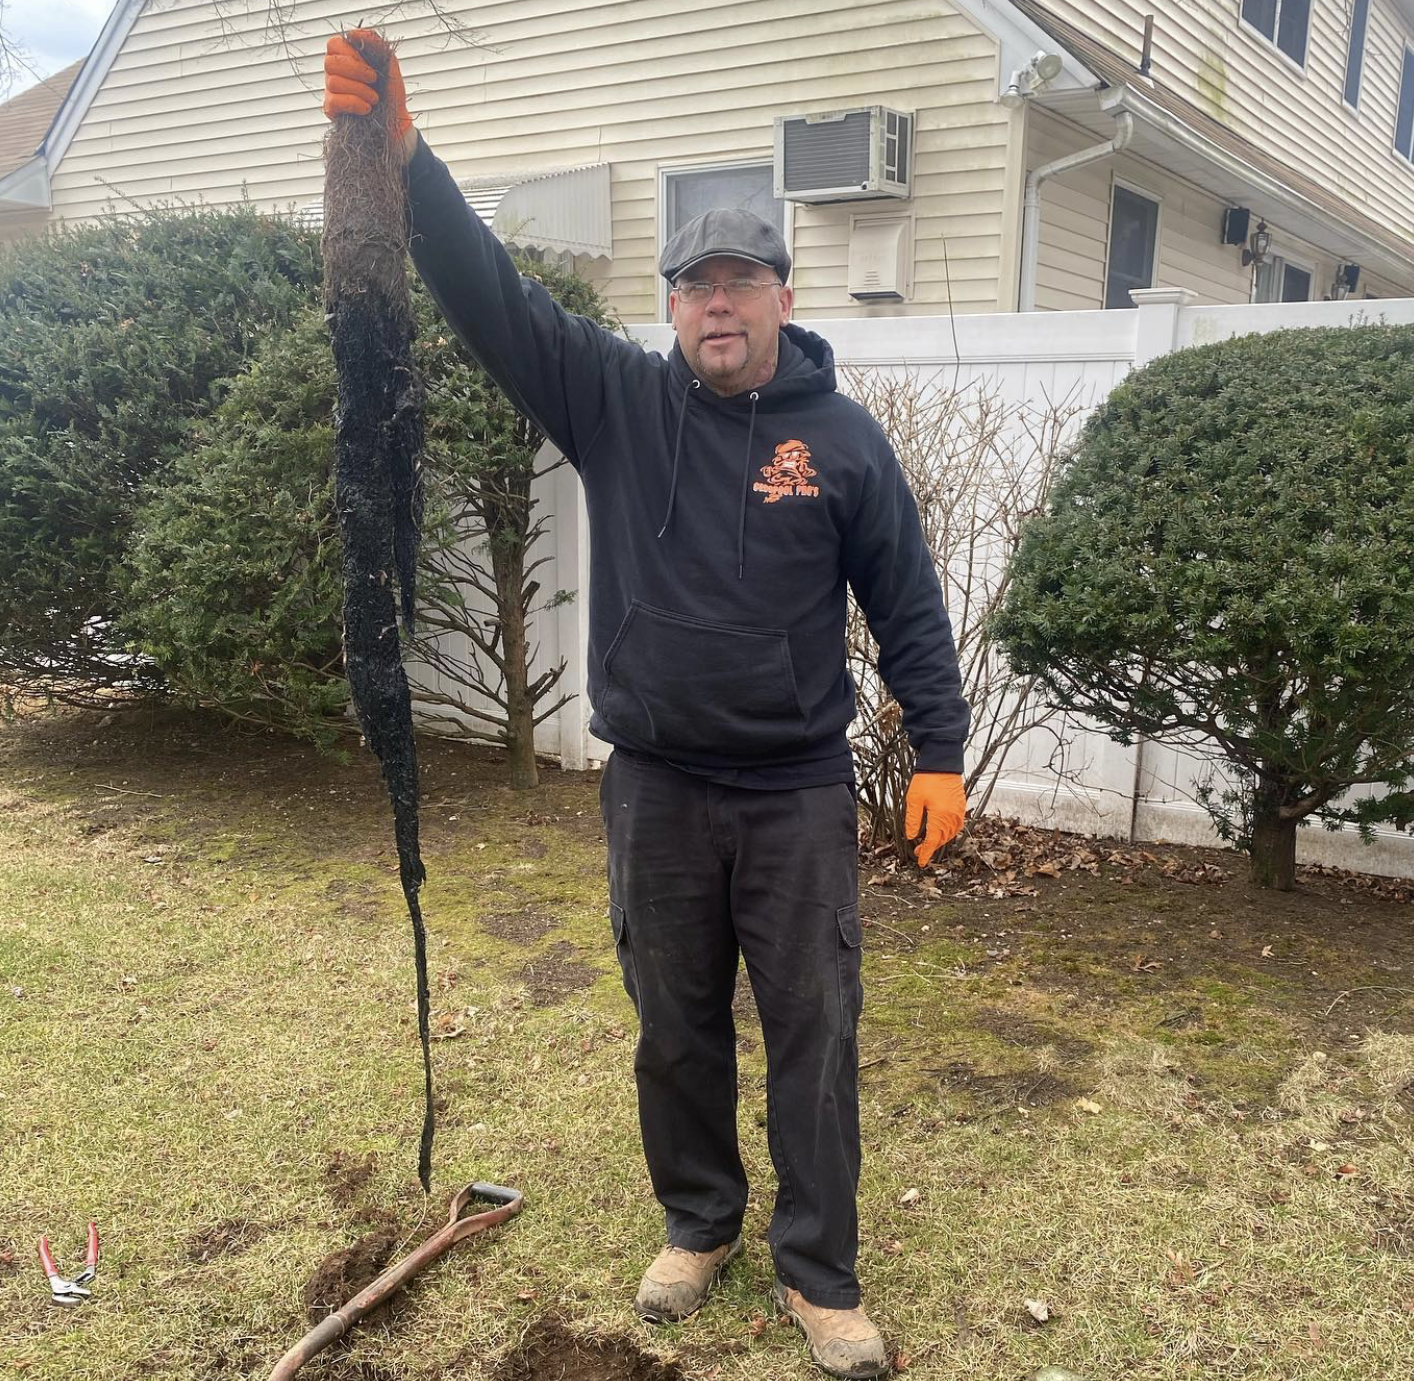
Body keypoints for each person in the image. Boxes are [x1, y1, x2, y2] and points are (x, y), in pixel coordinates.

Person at [324, 31, 970, 1380]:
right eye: (691, 284)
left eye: (737, 279)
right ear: (669, 305)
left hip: (793, 793)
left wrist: (939, 752)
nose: (714, 303)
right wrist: (407, 163)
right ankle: (697, 1224)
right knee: (671, 1026)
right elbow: (491, 298)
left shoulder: (841, 446)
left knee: (810, 1032)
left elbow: (906, 603)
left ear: (781, 295)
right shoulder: (618, 403)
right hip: (657, 789)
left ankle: (817, 1271)